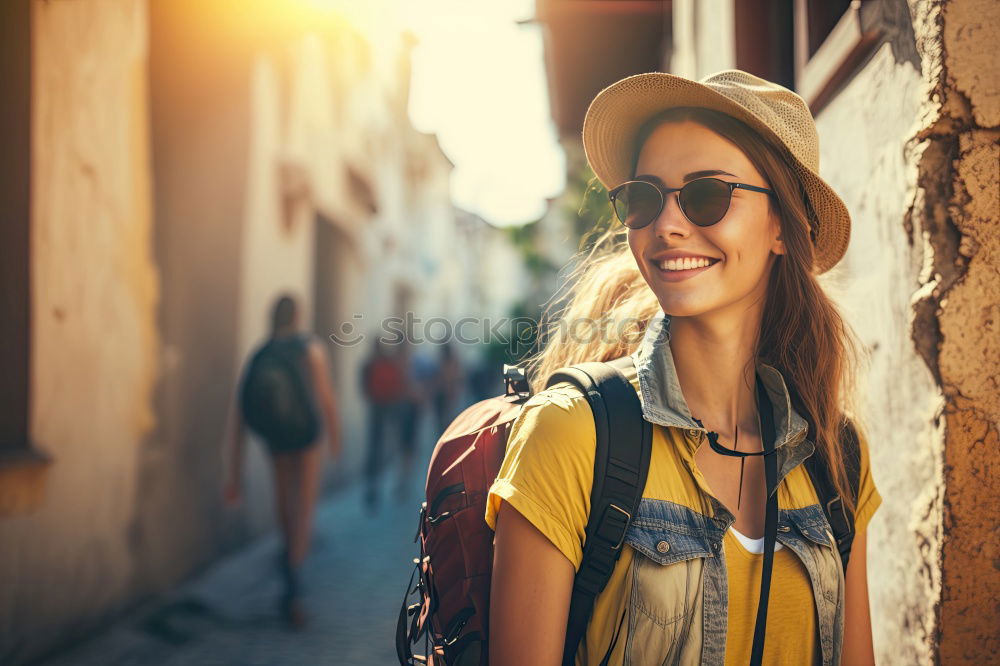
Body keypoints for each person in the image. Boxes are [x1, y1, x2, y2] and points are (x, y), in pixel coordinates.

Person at [486, 70, 881, 665]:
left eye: (706, 194)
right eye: (644, 197)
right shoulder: (570, 433)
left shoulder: (836, 451)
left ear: (781, 224)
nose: (666, 224)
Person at [224, 294, 342, 629]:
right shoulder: (310, 348)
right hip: (306, 437)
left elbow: (239, 414)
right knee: (304, 505)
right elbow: (327, 399)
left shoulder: (260, 354)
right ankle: (294, 583)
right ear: (298, 316)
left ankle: (288, 560)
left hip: (277, 437)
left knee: (284, 502)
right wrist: (335, 439)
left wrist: (234, 474)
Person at [360, 337, 406, 511]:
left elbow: (364, 387)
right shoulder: (390, 363)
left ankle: (373, 488)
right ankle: (392, 484)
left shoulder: (370, 364)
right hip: (391, 408)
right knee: (390, 447)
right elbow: (400, 385)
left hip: (377, 409)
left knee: (374, 449)